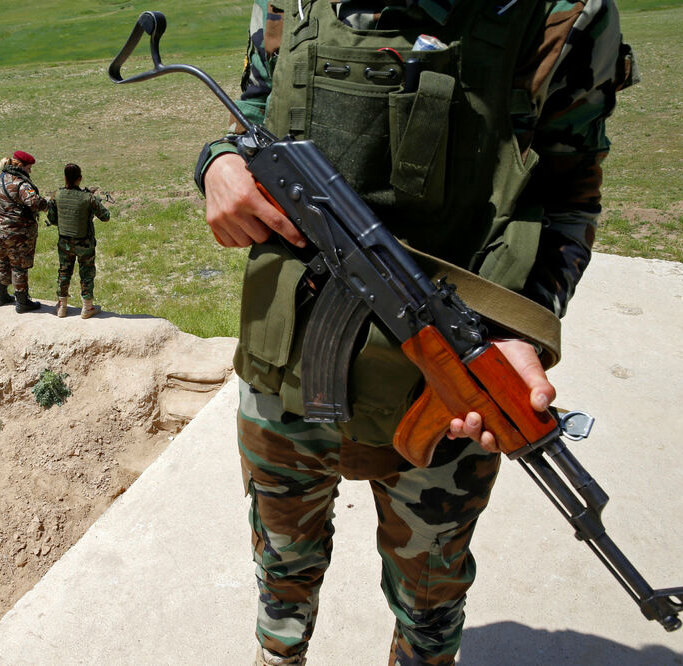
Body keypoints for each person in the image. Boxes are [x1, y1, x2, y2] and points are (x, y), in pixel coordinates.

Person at [196, 1, 637, 664]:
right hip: (286, 358)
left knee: (429, 600)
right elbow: (259, 105)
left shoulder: (563, 13)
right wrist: (218, 161)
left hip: (450, 375)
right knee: (282, 570)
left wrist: (523, 324)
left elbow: (569, 191)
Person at [0, 150, 50, 313]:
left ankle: (1, 296)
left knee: (4, 260)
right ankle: (22, 301)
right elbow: (34, 202)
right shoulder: (21, 184)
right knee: (19, 264)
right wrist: (48, 204)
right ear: (21, 166)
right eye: (29, 167)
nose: (30, 171)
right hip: (15, 232)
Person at [46, 163, 111, 319]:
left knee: (64, 271)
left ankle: (61, 307)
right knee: (87, 273)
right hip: (85, 243)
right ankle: (87, 308)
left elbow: (52, 219)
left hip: (64, 242)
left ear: (65, 178)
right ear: (80, 179)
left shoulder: (57, 195)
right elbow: (106, 216)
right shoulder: (88, 198)